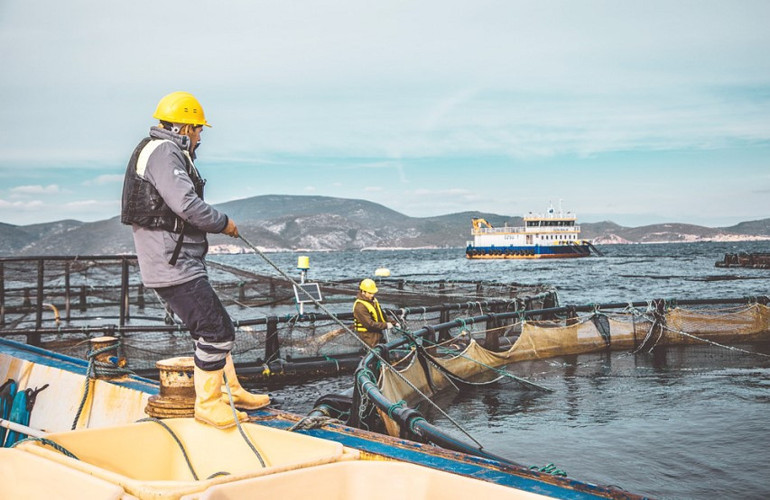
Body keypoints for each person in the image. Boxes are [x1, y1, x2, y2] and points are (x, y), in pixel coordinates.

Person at [121, 91, 269, 429]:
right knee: (216, 331)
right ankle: (209, 404)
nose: (200, 136)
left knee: (213, 324)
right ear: (185, 127)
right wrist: (223, 222)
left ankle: (230, 390)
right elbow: (186, 205)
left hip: (177, 261)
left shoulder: (161, 151)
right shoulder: (164, 152)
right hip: (173, 265)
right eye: (199, 130)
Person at [352, 278, 393, 348]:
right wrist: (386, 325)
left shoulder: (373, 301)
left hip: (378, 334)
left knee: (384, 351)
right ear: (363, 292)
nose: (372, 295)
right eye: (370, 293)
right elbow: (369, 324)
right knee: (375, 354)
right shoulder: (360, 306)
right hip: (368, 337)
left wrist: (393, 322)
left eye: (373, 293)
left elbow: (382, 315)